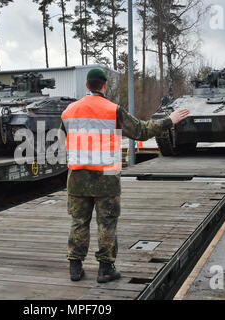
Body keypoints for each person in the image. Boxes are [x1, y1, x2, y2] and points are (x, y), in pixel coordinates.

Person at [60, 68, 189, 283]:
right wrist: (169, 120)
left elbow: (65, 135)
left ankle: (75, 267)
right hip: (106, 176)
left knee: (79, 221)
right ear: (104, 85)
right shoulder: (112, 110)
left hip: (77, 175)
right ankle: (105, 269)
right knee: (107, 223)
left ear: (86, 85)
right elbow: (142, 131)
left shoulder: (69, 110)